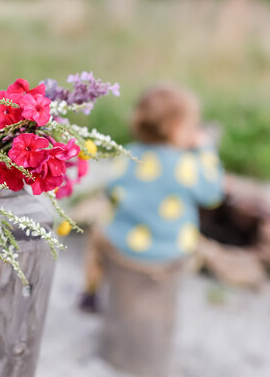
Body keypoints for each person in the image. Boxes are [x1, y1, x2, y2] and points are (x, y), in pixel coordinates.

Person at [80, 84, 224, 312]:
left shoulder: (126, 156)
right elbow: (212, 196)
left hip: (121, 246)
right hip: (170, 251)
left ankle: (91, 291)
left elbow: (111, 191)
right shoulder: (187, 165)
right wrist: (206, 150)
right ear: (177, 129)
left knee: (98, 234)